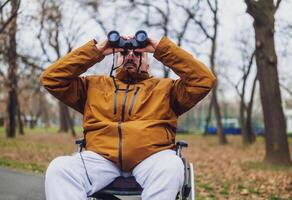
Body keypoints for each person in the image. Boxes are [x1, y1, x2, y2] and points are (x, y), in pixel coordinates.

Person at [40, 34, 216, 200]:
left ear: (148, 62)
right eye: (124, 53)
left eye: (138, 54)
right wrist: (97, 50)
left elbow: (203, 80)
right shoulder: (92, 86)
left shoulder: (166, 89)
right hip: (101, 158)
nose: (130, 56)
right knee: (60, 168)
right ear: (115, 57)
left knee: (171, 166)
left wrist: (160, 48)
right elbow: (51, 78)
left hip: (152, 158)